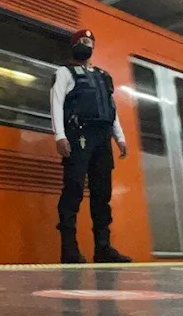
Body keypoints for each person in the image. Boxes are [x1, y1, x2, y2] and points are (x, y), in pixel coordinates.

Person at [50, 29, 131, 264]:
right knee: (73, 189)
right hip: (78, 135)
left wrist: (120, 138)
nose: (87, 45)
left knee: (102, 193)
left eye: (90, 42)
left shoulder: (103, 76)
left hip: (102, 138)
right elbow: (56, 103)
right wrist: (59, 135)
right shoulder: (64, 73)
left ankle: (103, 248)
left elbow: (111, 109)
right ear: (74, 45)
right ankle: (69, 249)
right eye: (82, 42)